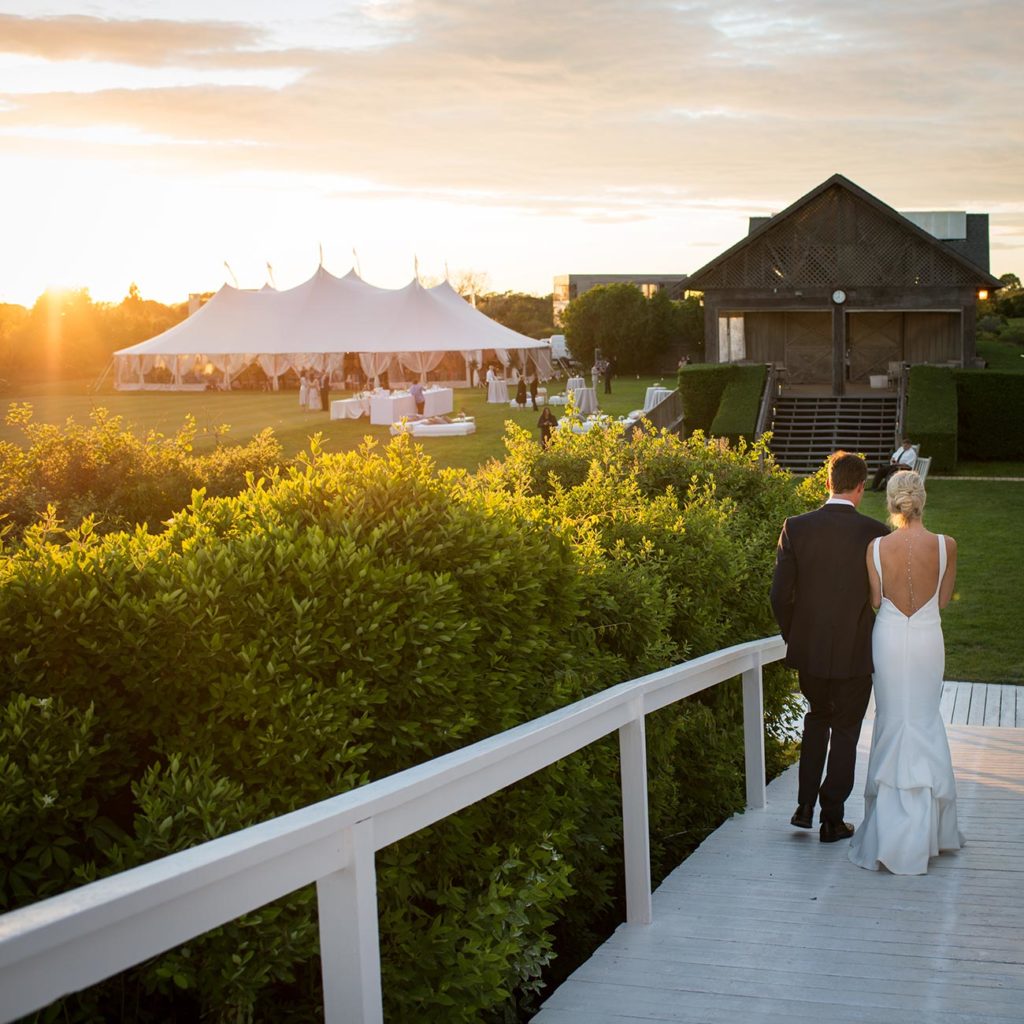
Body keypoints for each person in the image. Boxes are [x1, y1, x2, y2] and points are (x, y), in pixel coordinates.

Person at [770, 451, 889, 843]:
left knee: (816, 720)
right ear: (860, 487)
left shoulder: (796, 527)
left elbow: (778, 595)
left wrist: (796, 635)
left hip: (812, 652)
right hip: (856, 652)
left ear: (827, 483)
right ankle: (832, 819)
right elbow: (882, 597)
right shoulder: (875, 533)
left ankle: (804, 807)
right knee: (847, 732)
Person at [849, 471, 963, 874]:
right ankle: (931, 833)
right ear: (922, 499)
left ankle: (890, 830)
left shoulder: (876, 547)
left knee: (894, 720)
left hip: (891, 639)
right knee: (924, 719)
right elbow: (944, 600)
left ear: (893, 502)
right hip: (929, 640)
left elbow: (877, 600)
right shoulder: (947, 546)